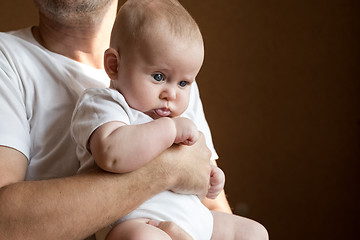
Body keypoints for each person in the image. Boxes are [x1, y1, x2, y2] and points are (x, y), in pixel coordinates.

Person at [0, 0, 268, 239]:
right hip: (141, 224)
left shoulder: (172, 76)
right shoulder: (10, 59)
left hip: (190, 220)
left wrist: (210, 177)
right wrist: (171, 166)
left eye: (184, 82)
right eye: (158, 77)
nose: (171, 92)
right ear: (114, 65)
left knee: (254, 233)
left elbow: (209, 198)